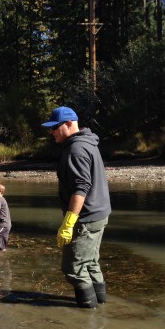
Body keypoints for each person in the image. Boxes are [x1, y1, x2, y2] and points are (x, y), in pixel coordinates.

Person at [41, 106, 111, 308]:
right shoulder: (88, 143)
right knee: (90, 263)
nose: (51, 131)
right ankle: (101, 308)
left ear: (69, 124)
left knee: (73, 267)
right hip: (99, 214)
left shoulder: (76, 149)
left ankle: (87, 317)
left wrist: (69, 223)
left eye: (55, 127)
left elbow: (81, 188)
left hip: (85, 218)